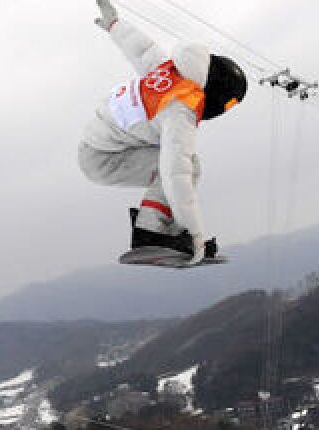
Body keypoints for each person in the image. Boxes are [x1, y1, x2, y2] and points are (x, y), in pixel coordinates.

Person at [79, 0, 248, 265]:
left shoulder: (173, 72)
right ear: (215, 93)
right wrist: (196, 236)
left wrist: (115, 24)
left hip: (100, 144)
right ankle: (150, 232)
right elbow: (175, 176)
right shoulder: (180, 111)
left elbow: (142, 49)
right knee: (185, 168)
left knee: (186, 165)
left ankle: (164, 230)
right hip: (103, 159)